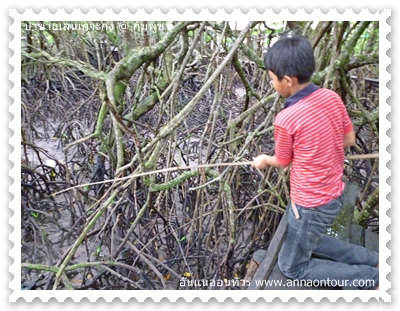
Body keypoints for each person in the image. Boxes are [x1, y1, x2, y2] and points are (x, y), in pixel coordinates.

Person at [251, 32, 379, 290]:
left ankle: (373, 278)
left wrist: (265, 160)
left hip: (309, 204)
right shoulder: (331, 97)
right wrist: (320, 148)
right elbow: (350, 138)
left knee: (292, 267)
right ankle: (375, 260)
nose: (272, 84)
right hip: (332, 197)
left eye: (272, 79)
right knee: (310, 239)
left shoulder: (286, 119)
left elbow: (283, 160)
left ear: (287, 80)